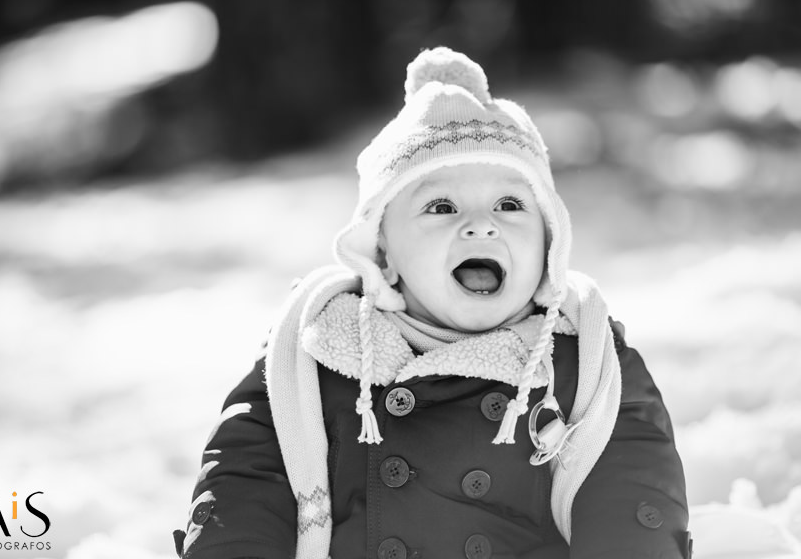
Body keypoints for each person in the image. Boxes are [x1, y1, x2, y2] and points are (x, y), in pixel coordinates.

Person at [174, 47, 691, 559]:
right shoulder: (319, 353)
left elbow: (632, 493)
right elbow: (245, 485)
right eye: (441, 206)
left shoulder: (580, 362)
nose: (481, 223)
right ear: (384, 256)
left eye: (510, 204)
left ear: (549, 244)